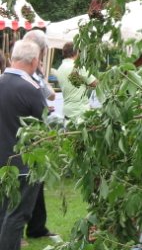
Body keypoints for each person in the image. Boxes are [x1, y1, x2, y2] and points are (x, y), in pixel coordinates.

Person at [0, 40, 47, 250]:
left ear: (12, 57)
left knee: (3, 213)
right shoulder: (31, 88)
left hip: (2, 163)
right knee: (17, 215)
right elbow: (45, 127)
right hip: (23, 164)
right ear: (35, 61)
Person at [22, 30, 57, 241]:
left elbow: (48, 95)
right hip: (27, 133)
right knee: (26, 182)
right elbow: (45, 94)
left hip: (35, 131)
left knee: (37, 181)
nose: (43, 55)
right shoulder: (26, 71)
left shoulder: (35, 71)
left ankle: (37, 226)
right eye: (43, 51)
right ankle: (21, 229)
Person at [55, 42, 96, 123]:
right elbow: (95, 83)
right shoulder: (77, 67)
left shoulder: (60, 69)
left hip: (67, 111)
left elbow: (76, 85)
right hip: (80, 112)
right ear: (76, 52)